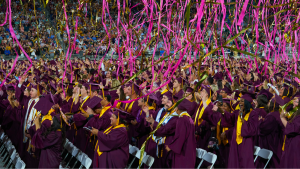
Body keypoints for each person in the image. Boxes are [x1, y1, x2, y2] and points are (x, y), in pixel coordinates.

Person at [165, 99, 196, 169]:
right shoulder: (189, 118)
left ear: (177, 109)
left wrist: (171, 147)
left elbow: (180, 137)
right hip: (189, 150)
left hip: (183, 152)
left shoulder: (182, 120)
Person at [280, 97, 300, 169]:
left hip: (296, 145)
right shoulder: (296, 115)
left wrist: (282, 118)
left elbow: (292, 129)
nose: (293, 104)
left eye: (296, 102)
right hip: (293, 144)